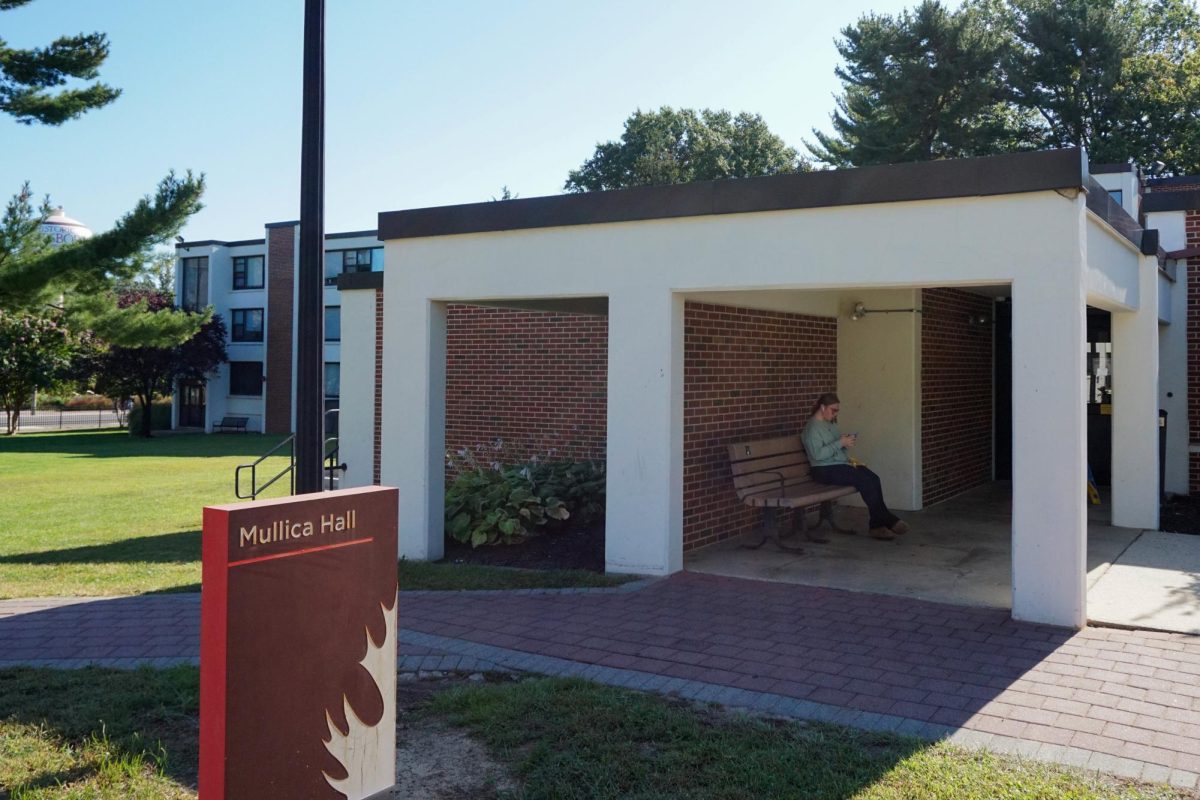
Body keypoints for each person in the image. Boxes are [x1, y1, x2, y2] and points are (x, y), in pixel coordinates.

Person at [801, 392, 910, 541]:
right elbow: (817, 455)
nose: (835, 414)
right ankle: (887, 519)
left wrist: (846, 442)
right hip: (823, 469)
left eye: (837, 410)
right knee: (864, 481)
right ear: (822, 407)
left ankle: (877, 525)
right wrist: (840, 443)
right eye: (833, 410)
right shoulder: (812, 428)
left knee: (873, 478)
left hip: (839, 465)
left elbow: (836, 446)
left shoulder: (830, 424)